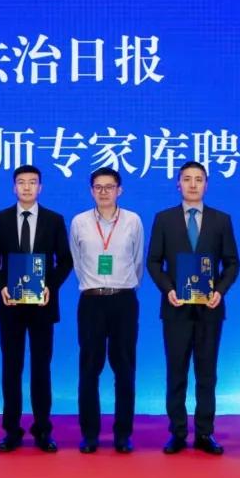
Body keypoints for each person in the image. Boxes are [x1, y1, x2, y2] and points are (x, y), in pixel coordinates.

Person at [147, 161, 239, 456]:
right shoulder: (164, 219)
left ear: (206, 185)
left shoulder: (221, 220)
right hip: (175, 308)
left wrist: (219, 291)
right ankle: (177, 432)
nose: (193, 184)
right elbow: (153, 262)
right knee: (176, 373)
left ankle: (204, 432)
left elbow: (232, 263)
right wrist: (168, 289)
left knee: (207, 374)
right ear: (178, 184)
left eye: (198, 179)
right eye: (187, 179)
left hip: (210, 309)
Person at [0, 165, 74, 453]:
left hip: (42, 306)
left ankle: (43, 430)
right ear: (14, 187)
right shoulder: (0, 219)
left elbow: (65, 261)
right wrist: (2, 286)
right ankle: (11, 431)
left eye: (32, 182)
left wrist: (50, 286)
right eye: (21, 182)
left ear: (40, 187)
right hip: (10, 305)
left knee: (41, 369)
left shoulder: (54, 220)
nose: (26, 187)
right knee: (11, 369)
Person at [69, 167, 144, 454]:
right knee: (89, 368)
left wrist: (120, 285)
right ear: (91, 191)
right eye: (98, 187)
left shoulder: (133, 221)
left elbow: (137, 262)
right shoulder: (79, 222)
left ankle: (123, 434)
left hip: (123, 300)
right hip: (91, 301)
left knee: (124, 369)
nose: (104, 192)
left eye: (109, 187)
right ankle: (89, 434)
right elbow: (77, 262)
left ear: (119, 190)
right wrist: (95, 284)